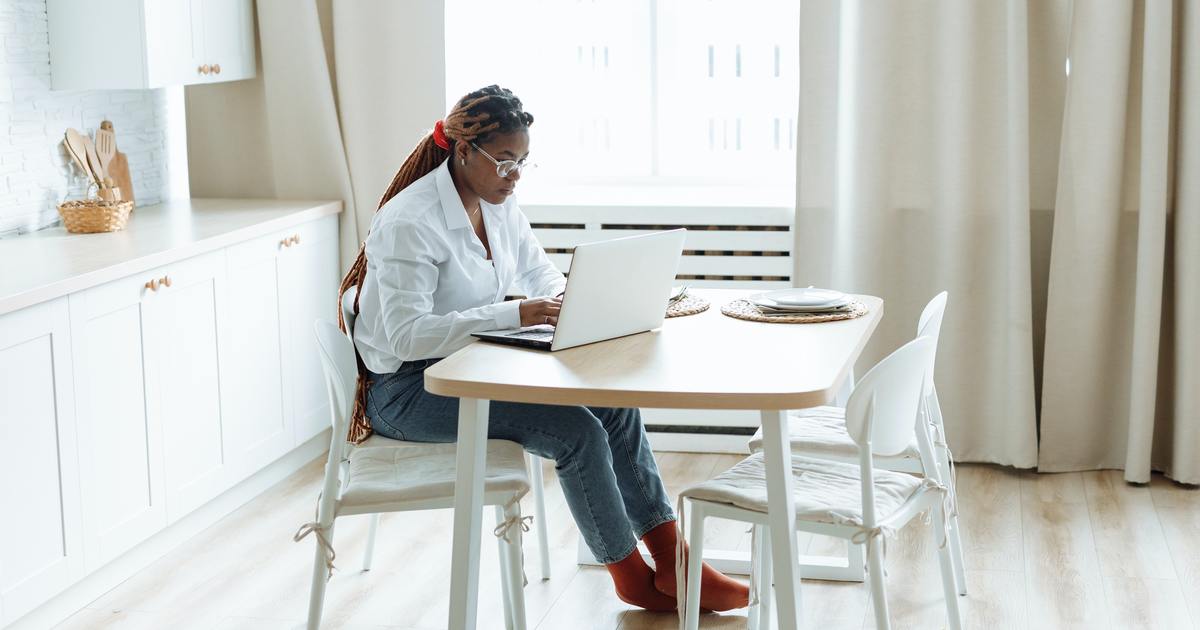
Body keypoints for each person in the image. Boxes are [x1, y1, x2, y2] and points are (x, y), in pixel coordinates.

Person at [338, 85, 748, 612]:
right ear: (463, 150)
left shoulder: (497, 204)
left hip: (473, 365)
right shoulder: (407, 222)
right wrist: (515, 313)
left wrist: (572, 300)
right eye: (505, 162)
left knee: (613, 403)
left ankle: (674, 559)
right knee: (574, 431)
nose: (515, 177)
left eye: (524, 163)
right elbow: (404, 336)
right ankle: (628, 576)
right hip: (407, 392)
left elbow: (539, 272)